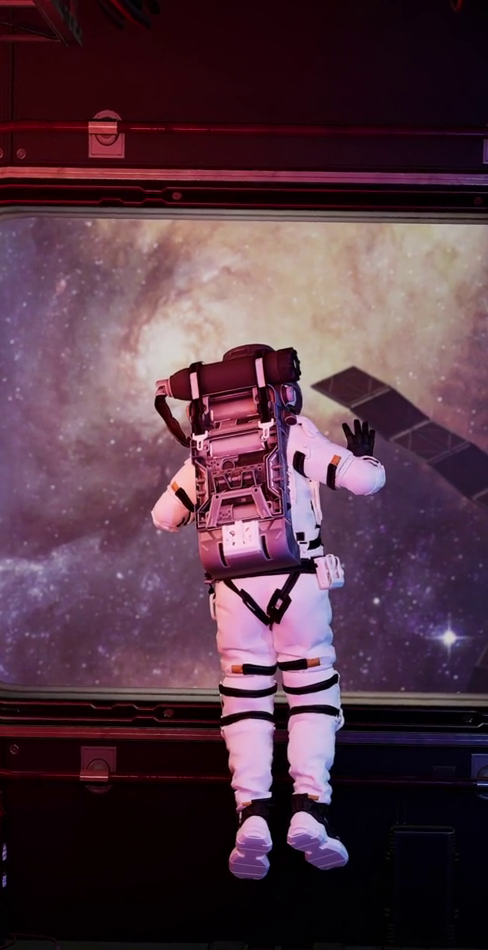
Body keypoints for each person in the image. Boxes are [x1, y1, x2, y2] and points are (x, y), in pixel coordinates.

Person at [151, 344, 384, 879]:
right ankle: (309, 808)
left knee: (245, 698)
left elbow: (165, 516)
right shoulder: (292, 434)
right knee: (312, 691)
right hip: (298, 585)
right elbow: (364, 481)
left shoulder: (205, 449)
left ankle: (252, 815)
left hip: (233, 594)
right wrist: (366, 458)